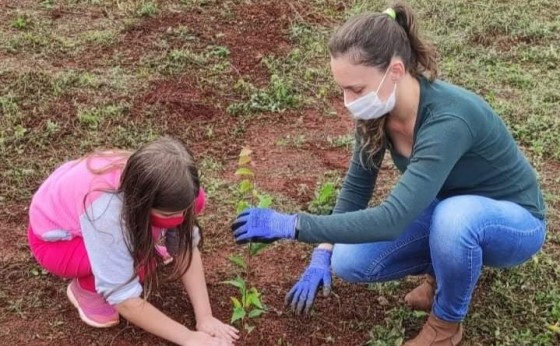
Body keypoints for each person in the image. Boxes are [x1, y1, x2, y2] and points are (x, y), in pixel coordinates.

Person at [231, 2, 547, 345]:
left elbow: (393, 219)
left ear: (395, 71)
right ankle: (444, 273)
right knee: (348, 259)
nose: (347, 100)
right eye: (343, 89)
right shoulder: (376, 111)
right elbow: (357, 187)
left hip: (512, 222)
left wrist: (293, 225)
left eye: (356, 89)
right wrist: (323, 250)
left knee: (456, 220)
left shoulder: (449, 120)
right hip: (447, 209)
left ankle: (445, 325)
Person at [28, 137, 238, 346]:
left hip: (82, 201)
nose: (181, 218)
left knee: (191, 206)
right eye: (171, 214)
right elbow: (123, 297)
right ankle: (85, 291)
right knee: (137, 258)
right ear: (142, 204)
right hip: (57, 242)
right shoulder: (107, 213)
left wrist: (205, 317)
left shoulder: (172, 184)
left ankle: (149, 238)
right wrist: (188, 338)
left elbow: (185, 244)